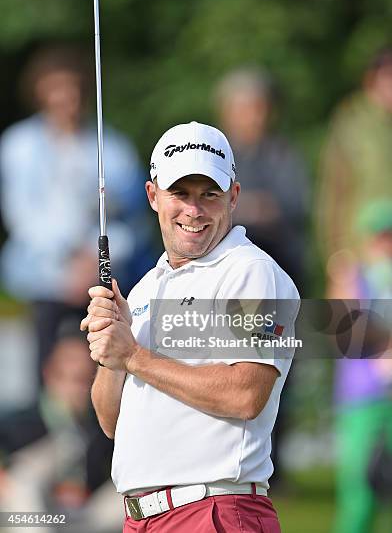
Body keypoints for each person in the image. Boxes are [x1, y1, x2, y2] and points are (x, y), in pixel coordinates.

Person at [81, 121, 299, 532]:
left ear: (233, 196)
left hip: (214, 512)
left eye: (209, 195)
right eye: (179, 193)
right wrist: (112, 355)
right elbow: (112, 422)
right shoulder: (146, 287)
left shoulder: (252, 272)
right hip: (142, 517)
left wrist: (134, 356)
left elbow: (246, 393)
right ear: (153, 196)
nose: (193, 210)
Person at [0, 44, 155, 381]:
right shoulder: (18, 145)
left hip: (101, 279)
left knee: (105, 370)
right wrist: (69, 257)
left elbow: (133, 217)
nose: (65, 97)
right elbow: (22, 216)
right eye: (56, 88)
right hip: (44, 280)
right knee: (46, 372)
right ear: (40, 91)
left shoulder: (114, 148)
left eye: (72, 87)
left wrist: (92, 258)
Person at [0, 334, 122, 533]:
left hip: (81, 518)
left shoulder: (100, 428)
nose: (80, 390)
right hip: (29, 516)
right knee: (25, 480)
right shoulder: (19, 422)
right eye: (74, 380)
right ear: (50, 375)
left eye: (87, 380)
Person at [331, 199, 392, 533]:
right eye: (379, 236)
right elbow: (348, 329)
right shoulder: (353, 278)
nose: (387, 244)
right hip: (363, 399)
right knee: (359, 495)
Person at [214, 67, 309, 293]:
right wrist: (256, 206)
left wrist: (237, 206)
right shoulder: (214, 155)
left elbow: (294, 205)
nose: (255, 117)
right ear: (226, 112)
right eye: (245, 109)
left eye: (260, 109)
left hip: (277, 263)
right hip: (222, 265)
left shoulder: (282, 153)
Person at [317, 48, 392, 283]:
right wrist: (336, 253)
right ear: (371, 82)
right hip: (360, 250)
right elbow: (333, 191)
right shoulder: (352, 122)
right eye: (390, 81)